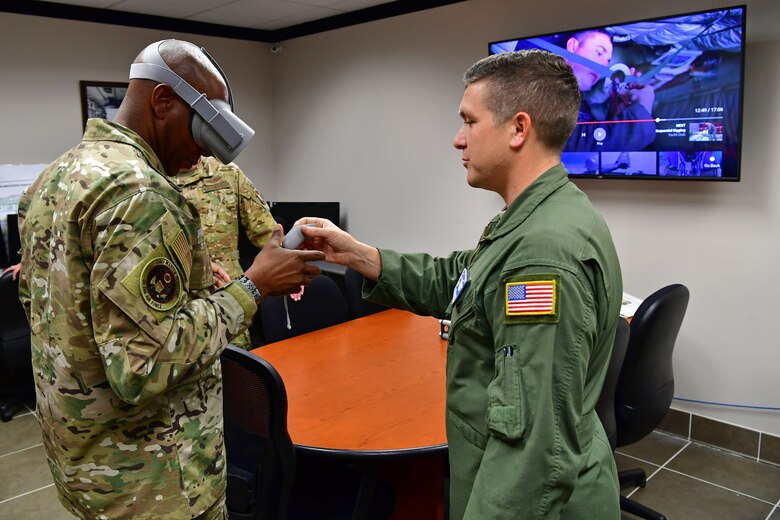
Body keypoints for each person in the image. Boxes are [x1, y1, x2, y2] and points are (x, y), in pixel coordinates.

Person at [298, 50, 623, 519]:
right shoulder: (537, 219)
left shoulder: (543, 254)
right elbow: (461, 281)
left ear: (518, 129)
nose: (457, 139)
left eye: (469, 121)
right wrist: (357, 255)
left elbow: (532, 448)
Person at [17, 39, 324, 520]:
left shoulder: (55, 179)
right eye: (201, 134)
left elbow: (57, 311)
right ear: (162, 101)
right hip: (154, 481)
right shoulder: (142, 193)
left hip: (86, 464)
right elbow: (144, 365)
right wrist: (252, 287)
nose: (203, 155)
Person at [174, 156, 276, 349]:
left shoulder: (227, 173)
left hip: (231, 303)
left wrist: (290, 264)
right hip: (178, 313)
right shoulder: (152, 178)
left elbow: (269, 234)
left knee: (239, 372)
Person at [563, 29, 656, 152]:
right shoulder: (540, 85)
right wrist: (641, 112)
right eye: (599, 53)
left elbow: (592, 143)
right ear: (573, 46)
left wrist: (616, 114)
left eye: (607, 61)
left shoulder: (577, 102)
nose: (603, 66)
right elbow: (574, 142)